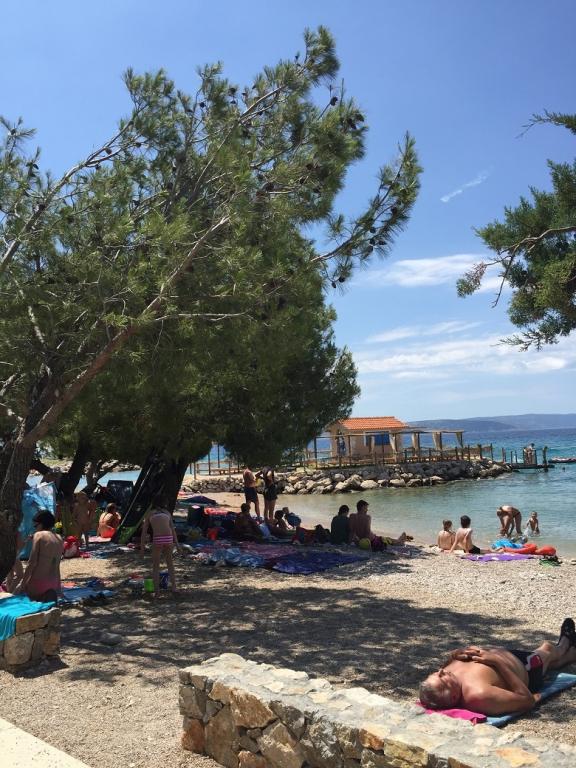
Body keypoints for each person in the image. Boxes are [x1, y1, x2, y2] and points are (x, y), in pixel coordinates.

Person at [419, 619, 576, 716]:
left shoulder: (448, 675)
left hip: (508, 655)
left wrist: (454, 655)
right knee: (548, 650)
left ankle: (569, 655)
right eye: (442, 678)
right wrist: (497, 662)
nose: (441, 671)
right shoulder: (478, 695)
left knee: (554, 662)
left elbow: (447, 668)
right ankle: (564, 644)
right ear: (454, 697)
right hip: (527, 668)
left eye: (435, 673)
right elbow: (527, 701)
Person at [15, 510, 62, 601]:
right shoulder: (59, 538)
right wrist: (59, 589)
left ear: (41, 524)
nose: (35, 529)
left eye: (35, 526)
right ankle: (45, 596)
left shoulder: (38, 535)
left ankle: (38, 597)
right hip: (53, 583)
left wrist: (22, 585)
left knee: (15, 593)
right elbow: (56, 566)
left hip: (38, 583)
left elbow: (31, 563)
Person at [140, 496, 182, 597]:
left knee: (156, 566)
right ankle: (174, 587)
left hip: (158, 539)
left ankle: (157, 592)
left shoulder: (150, 513)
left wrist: (142, 549)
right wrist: (177, 545)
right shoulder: (167, 513)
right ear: (164, 503)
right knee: (170, 564)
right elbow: (173, 530)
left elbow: (144, 532)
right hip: (168, 538)